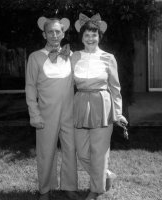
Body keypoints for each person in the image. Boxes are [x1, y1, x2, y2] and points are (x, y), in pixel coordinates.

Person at [71, 13, 128, 200]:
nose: (90, 38)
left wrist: (118, 114)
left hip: (102, 105)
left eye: (94, 35)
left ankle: (95, 190)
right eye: (87, 35)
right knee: (82, 152)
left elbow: (115, 87)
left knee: (100, 152)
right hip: (80, 104)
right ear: (82, 37)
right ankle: (105, 175)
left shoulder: (108, 58)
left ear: (99, 36)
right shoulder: (74, 57)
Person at [25, 17, 80, 200]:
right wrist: (34, 114)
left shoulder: (72, 56)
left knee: (70, 149)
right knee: (45, 151)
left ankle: (70, 186)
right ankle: (45, 189)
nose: (54, 35)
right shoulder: (35, 57)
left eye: (58, 31)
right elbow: (30, 87)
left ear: (63, 33)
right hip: (46, 114)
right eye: (50, 31)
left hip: (69, 113)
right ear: (44, 34)